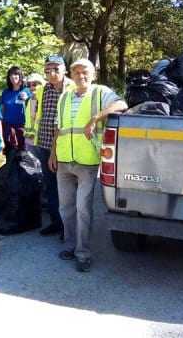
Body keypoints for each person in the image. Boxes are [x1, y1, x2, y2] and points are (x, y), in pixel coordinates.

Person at [50, 59, 127, 272]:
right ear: (71, 75)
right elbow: (59, 128)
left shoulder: (100, 92)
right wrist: (53, 153)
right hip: (65, 160)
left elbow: (121, 105)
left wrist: (95, 118)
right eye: (76, 72)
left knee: (83, 208)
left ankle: (83, 253)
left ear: (92, 74)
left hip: (88, 161)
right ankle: (70, 244)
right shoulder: (65, 96)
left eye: (84, 72)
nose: (80, 76)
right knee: (65, 208)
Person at [33, 55, 75, 237]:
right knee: (50, 186)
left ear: (64, 70)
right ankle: (56, 222)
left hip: (65, 146)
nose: (52, 73)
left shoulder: (73, 88)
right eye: (48, 70)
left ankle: (69, 227)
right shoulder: (43, 89)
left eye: (56, 69)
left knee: (66, 188)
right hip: (44, 144)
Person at [1, 66, 31, 157]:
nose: (13, 77)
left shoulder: (26, 91)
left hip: (21, 127)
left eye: (16, 74)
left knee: (22, 154)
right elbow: (2, 109)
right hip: (7, 127)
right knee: (9, 154)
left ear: (20, 76)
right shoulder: (6, 92)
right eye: (11, 75)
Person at [23, 72, 46, 150]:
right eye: (29, 85)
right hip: (29, 141)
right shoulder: (29, 101)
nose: (31, 87)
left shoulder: (46, 99)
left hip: (43, 141)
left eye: (34, 84)